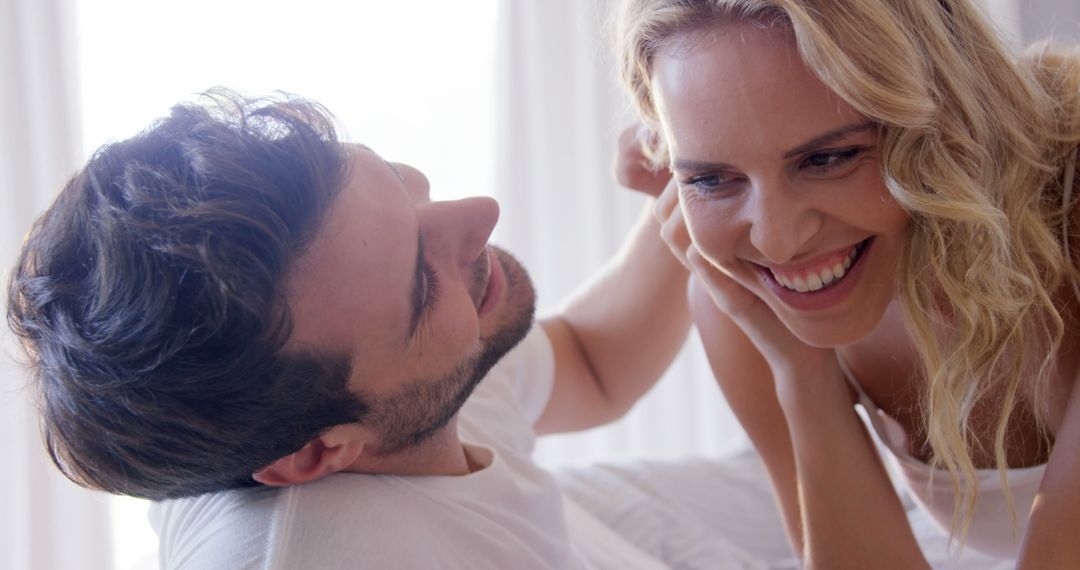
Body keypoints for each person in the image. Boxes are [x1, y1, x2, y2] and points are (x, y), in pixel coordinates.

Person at [7, 91, 792, 569]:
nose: (478, 213)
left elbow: (590, 364)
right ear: (320, 453)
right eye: (424, 278)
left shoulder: (400, 386)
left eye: (401, 182)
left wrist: (701, 187)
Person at [615, 0, 1080, 567]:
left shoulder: (1067, 225)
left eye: (829, 158)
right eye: (711, 179)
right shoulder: (742, 301)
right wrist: (802, 371)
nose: (776, 241)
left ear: (943, 118)